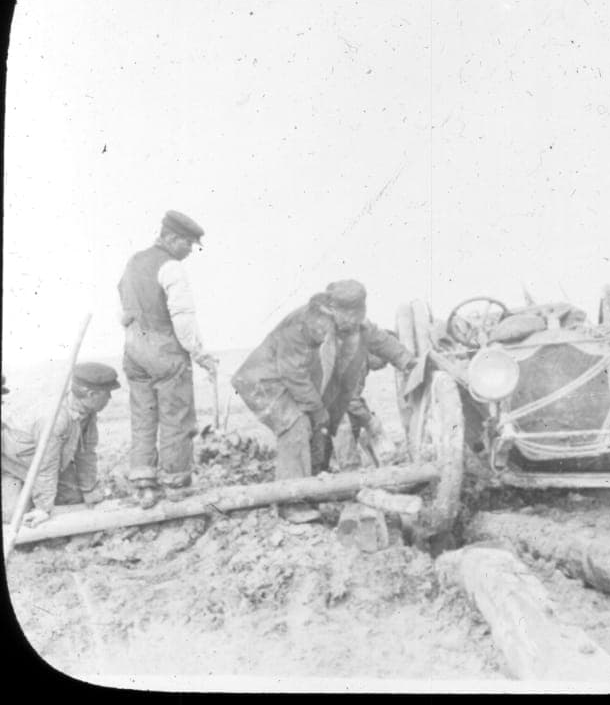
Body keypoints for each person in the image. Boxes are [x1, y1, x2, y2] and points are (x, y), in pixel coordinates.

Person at [118, 210, 218, 509]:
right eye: (188, 243)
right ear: (171, 237)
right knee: (176, 416)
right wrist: (200, 355)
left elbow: (124, 306)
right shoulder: (171, 267)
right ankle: (176, 485)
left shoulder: (134, 261)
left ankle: (144, 484)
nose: (190, 250)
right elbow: (183, 319)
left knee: (143, 416)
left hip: (134, 348)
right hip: (164, 349)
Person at [232, 291, 353, 522]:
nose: (324, 329)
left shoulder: (316, 325)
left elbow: (311, 370)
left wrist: (318, 410)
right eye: (322, 322)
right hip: (260, 382)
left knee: (308, 423)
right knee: (294, 425)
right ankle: (290, 502)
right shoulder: (295, 330)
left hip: (278, 378)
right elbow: (294, 375)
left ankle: (307, 488)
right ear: (312, 314)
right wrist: (316, 410)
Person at [312, 280, 415, 472]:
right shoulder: (327, 339)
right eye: (347, 316)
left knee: (349, 423)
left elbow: (387, 345)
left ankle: (327, 475)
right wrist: (371, 422)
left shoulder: (363, 330)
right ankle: (347, 475)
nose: (382, 365)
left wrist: (410, 362)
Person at [2, 363, 121, 526]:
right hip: (13, 467)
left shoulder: (86, 411)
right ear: (91, 394)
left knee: (75, 499)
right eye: (107, 393)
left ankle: (34, 494)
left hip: (48, 465)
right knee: (14, 516)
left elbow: (85, 452)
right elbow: (46, 464)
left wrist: (88, 489)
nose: (109, 398)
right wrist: (43, 508)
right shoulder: (55, 418)